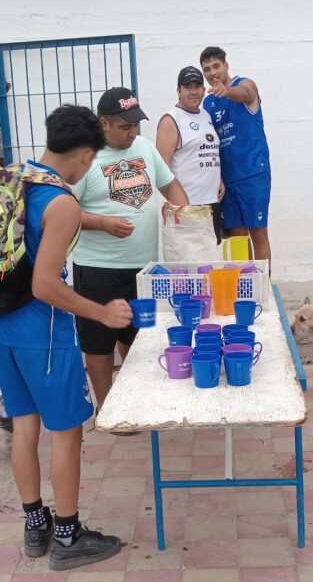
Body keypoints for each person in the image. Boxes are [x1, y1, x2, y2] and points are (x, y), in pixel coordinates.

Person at [0, 104, 131, 569]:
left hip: (6, 326)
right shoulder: (62, 202)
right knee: (66, 433)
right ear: (86, 154)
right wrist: (102, 312)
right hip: (46, 335)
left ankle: (36, 526)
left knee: (24, 426)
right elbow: (45, 285)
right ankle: (69, 536)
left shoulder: (17, 177)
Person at [72, 86, 188, 412]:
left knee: (136, 336)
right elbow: (62, 211)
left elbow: (170, 185)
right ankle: (107, 407)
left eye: (135, 124)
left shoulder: (144, 148)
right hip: (98, 269)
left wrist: (186, 215)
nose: (132, 132)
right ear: (103, 123)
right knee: (99, 342)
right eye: (125, 126)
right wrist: (102, 223)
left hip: (143, 268)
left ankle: (133, 399)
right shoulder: (83, 158)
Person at [200, 46, 271, 265]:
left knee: (258, 232)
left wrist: (227, 91)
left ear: (226, 65)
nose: (213, 72)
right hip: (227, 179)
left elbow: (246, 94)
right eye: (207, 69)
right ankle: (246, 283)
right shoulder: (208, 103)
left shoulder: (245, 84)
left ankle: (264, 282)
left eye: (216, 66)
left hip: (253, 173)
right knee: (238, 236)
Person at [156, 65, 223, 261]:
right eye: (187, 87)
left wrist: (218, 178)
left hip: (210, 204)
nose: (193, 91)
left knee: (210, 261)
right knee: (189, 265)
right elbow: (160, 169)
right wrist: (180, 205)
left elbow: (206, 151)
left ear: (203, 89)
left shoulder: (205, 116)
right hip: (188, 208)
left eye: (197, 86)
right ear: (178, 90)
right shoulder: (171, 120)